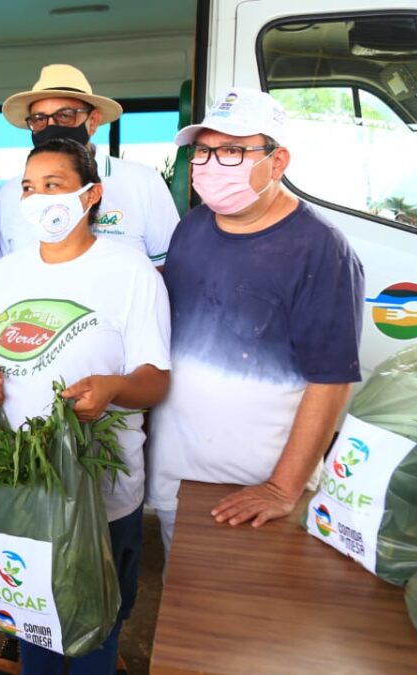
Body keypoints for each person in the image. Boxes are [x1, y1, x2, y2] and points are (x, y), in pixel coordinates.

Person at [0, 139, 171, 674]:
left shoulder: (130, 272)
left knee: (93, 624)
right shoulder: (8, 272)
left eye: (53, 185)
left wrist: (112, 387)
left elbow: (154, 383)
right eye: (29, 188)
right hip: (25, 483)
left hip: (97, 488)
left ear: (92, 194)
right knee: (36, 614)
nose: (38, 199)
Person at [146, 88, 365, 556]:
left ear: (278, 161)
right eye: (204, 150)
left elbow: (331, 380)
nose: (209, 164)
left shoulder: (321, 250)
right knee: (183, 603)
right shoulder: (191, 228)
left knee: (245, 613)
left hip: (256, 486)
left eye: (231, 150)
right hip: (177, 468)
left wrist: (284, 488)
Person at [0, 65, 178, 266]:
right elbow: (6, 272)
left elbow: (166, 269)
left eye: (65, 115)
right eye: (39, 119)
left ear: (94, 121)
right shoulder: (11, 194)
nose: (51, 126)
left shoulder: (143, 183)